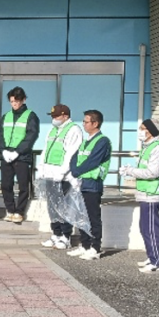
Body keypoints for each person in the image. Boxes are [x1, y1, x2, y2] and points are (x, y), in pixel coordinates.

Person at [120, 119, 159, 273]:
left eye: (143, 128)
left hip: (152, 194)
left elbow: (153, 172)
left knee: (151, 229)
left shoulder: (158, 148)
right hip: (145, 193)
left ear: (151, 131)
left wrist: (130, 171)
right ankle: (152, 255)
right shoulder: (147, 147)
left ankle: (157, 262)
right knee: (145, 227)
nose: (140, 131)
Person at [67, 110, 112, 260]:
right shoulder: (86, 141)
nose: (84, 124)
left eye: (86, 122)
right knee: (81, 216)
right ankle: (85, 244)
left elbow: (93, 161)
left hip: (92, 184)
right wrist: (74, 170)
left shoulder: (102, 141)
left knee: (93, 217)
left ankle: (95, 247)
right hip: (81, 183)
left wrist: (77, 171)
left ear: (95, 123)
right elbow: (75, 157)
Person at [37, 104, 83, 250]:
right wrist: (41, 167)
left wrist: (62, 172)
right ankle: (56, 234)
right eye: (52, 116)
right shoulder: (53, 130)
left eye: (56, 116)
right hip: (49, 174)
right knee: (52, 206)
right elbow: (46, 149)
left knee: (64, 206)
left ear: (65, 116)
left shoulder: (73, 130)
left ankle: (65, 236)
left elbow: (71, 153)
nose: (54, 119)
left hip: (63, 176)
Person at [0, 87, 39, 224]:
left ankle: (19, 211)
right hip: (6, 154)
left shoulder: (30, 116)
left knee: (23, 185)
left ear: (23, 100)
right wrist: (2, 150)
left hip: (22, 156)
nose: (14, 104)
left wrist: (18, 151)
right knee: (6, 185)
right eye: (12, 101)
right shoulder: (6, 116)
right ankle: (10, 210)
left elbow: (31, 135)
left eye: (17, 101)